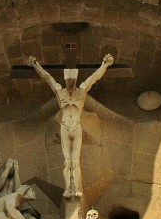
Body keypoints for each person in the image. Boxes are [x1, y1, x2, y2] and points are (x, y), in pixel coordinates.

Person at [28, 54, 114, 198]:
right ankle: (68, 188)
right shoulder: (59, 91)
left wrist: (105, 65)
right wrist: (35, 64)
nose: (70, 84)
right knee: (67, 161)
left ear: (75, 80)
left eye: (72, 81)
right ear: (65, 81)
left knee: (75, 160)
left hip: (76, 126)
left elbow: (95, 77)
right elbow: (47, 77)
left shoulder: (81, 90)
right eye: (68, 81)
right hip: (64, 126)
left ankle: (78, 188)